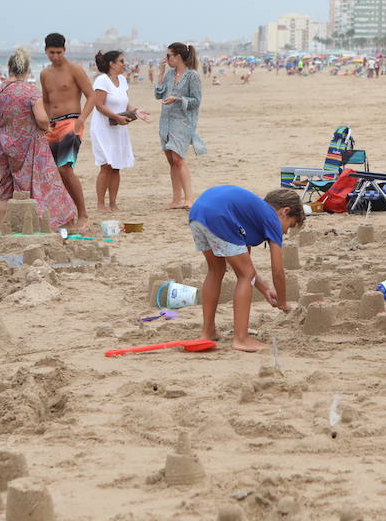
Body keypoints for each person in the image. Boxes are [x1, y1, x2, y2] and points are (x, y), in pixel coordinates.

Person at [188, 185, 301, 352]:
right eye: (290, 225)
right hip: (219, 216)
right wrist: (283, 302)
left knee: (216, 270)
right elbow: (277, 272)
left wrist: (265, 290)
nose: (285, 232)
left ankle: (208, 331)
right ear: (285, 211)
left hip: (198, 212)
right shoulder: (271, 219)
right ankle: (241, 339)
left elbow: (244, 266)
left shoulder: (250, 215)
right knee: (245, 275)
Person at [0, 47, 77, 230]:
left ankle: (4, 227)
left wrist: (9, 124)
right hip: (30, 143)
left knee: (6, 186)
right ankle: (39, 224)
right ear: (27, 70)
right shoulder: (30, 91)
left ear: (9, 67)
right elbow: (42, 118)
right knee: (41, 183)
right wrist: (46, 128)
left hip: (5, 141)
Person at [39, 33, 93, 229]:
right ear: (45, 51)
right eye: (51, 53)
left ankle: (83, 214)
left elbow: (91, 95)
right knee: (55, 173)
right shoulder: (45, 74)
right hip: (52, 125)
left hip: (71, 122)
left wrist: (82, 119)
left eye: (58, 52)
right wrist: (44, 121)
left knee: (65, 168)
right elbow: (46, 99)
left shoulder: (74, 69)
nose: (55, 56)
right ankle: (66, 213)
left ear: (64, 50)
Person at [90, 50, 146, 212]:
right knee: (106, 165)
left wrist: (136, 111)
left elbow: (125, 103)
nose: (124, 64)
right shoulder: (102, 80)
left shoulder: (122, 80)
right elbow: (99, 105)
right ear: (111, 64)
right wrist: (116, 117)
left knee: (116, 166)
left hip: (118, 127)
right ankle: (101, 204)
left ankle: (113, 203)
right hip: (103, 127)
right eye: (121, 61)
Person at [154, 42, 206, 209]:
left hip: (183, 121)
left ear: (178, 56)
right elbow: (158, 94)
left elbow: (196, 102)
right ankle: (176, 199)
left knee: (178, 158)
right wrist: (161, 73)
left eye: (169, 55)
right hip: (166, 120)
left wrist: (177, 99)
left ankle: (189, 198)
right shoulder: (169, 74)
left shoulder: (192, 76)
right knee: (171, 160)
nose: (166, 58)